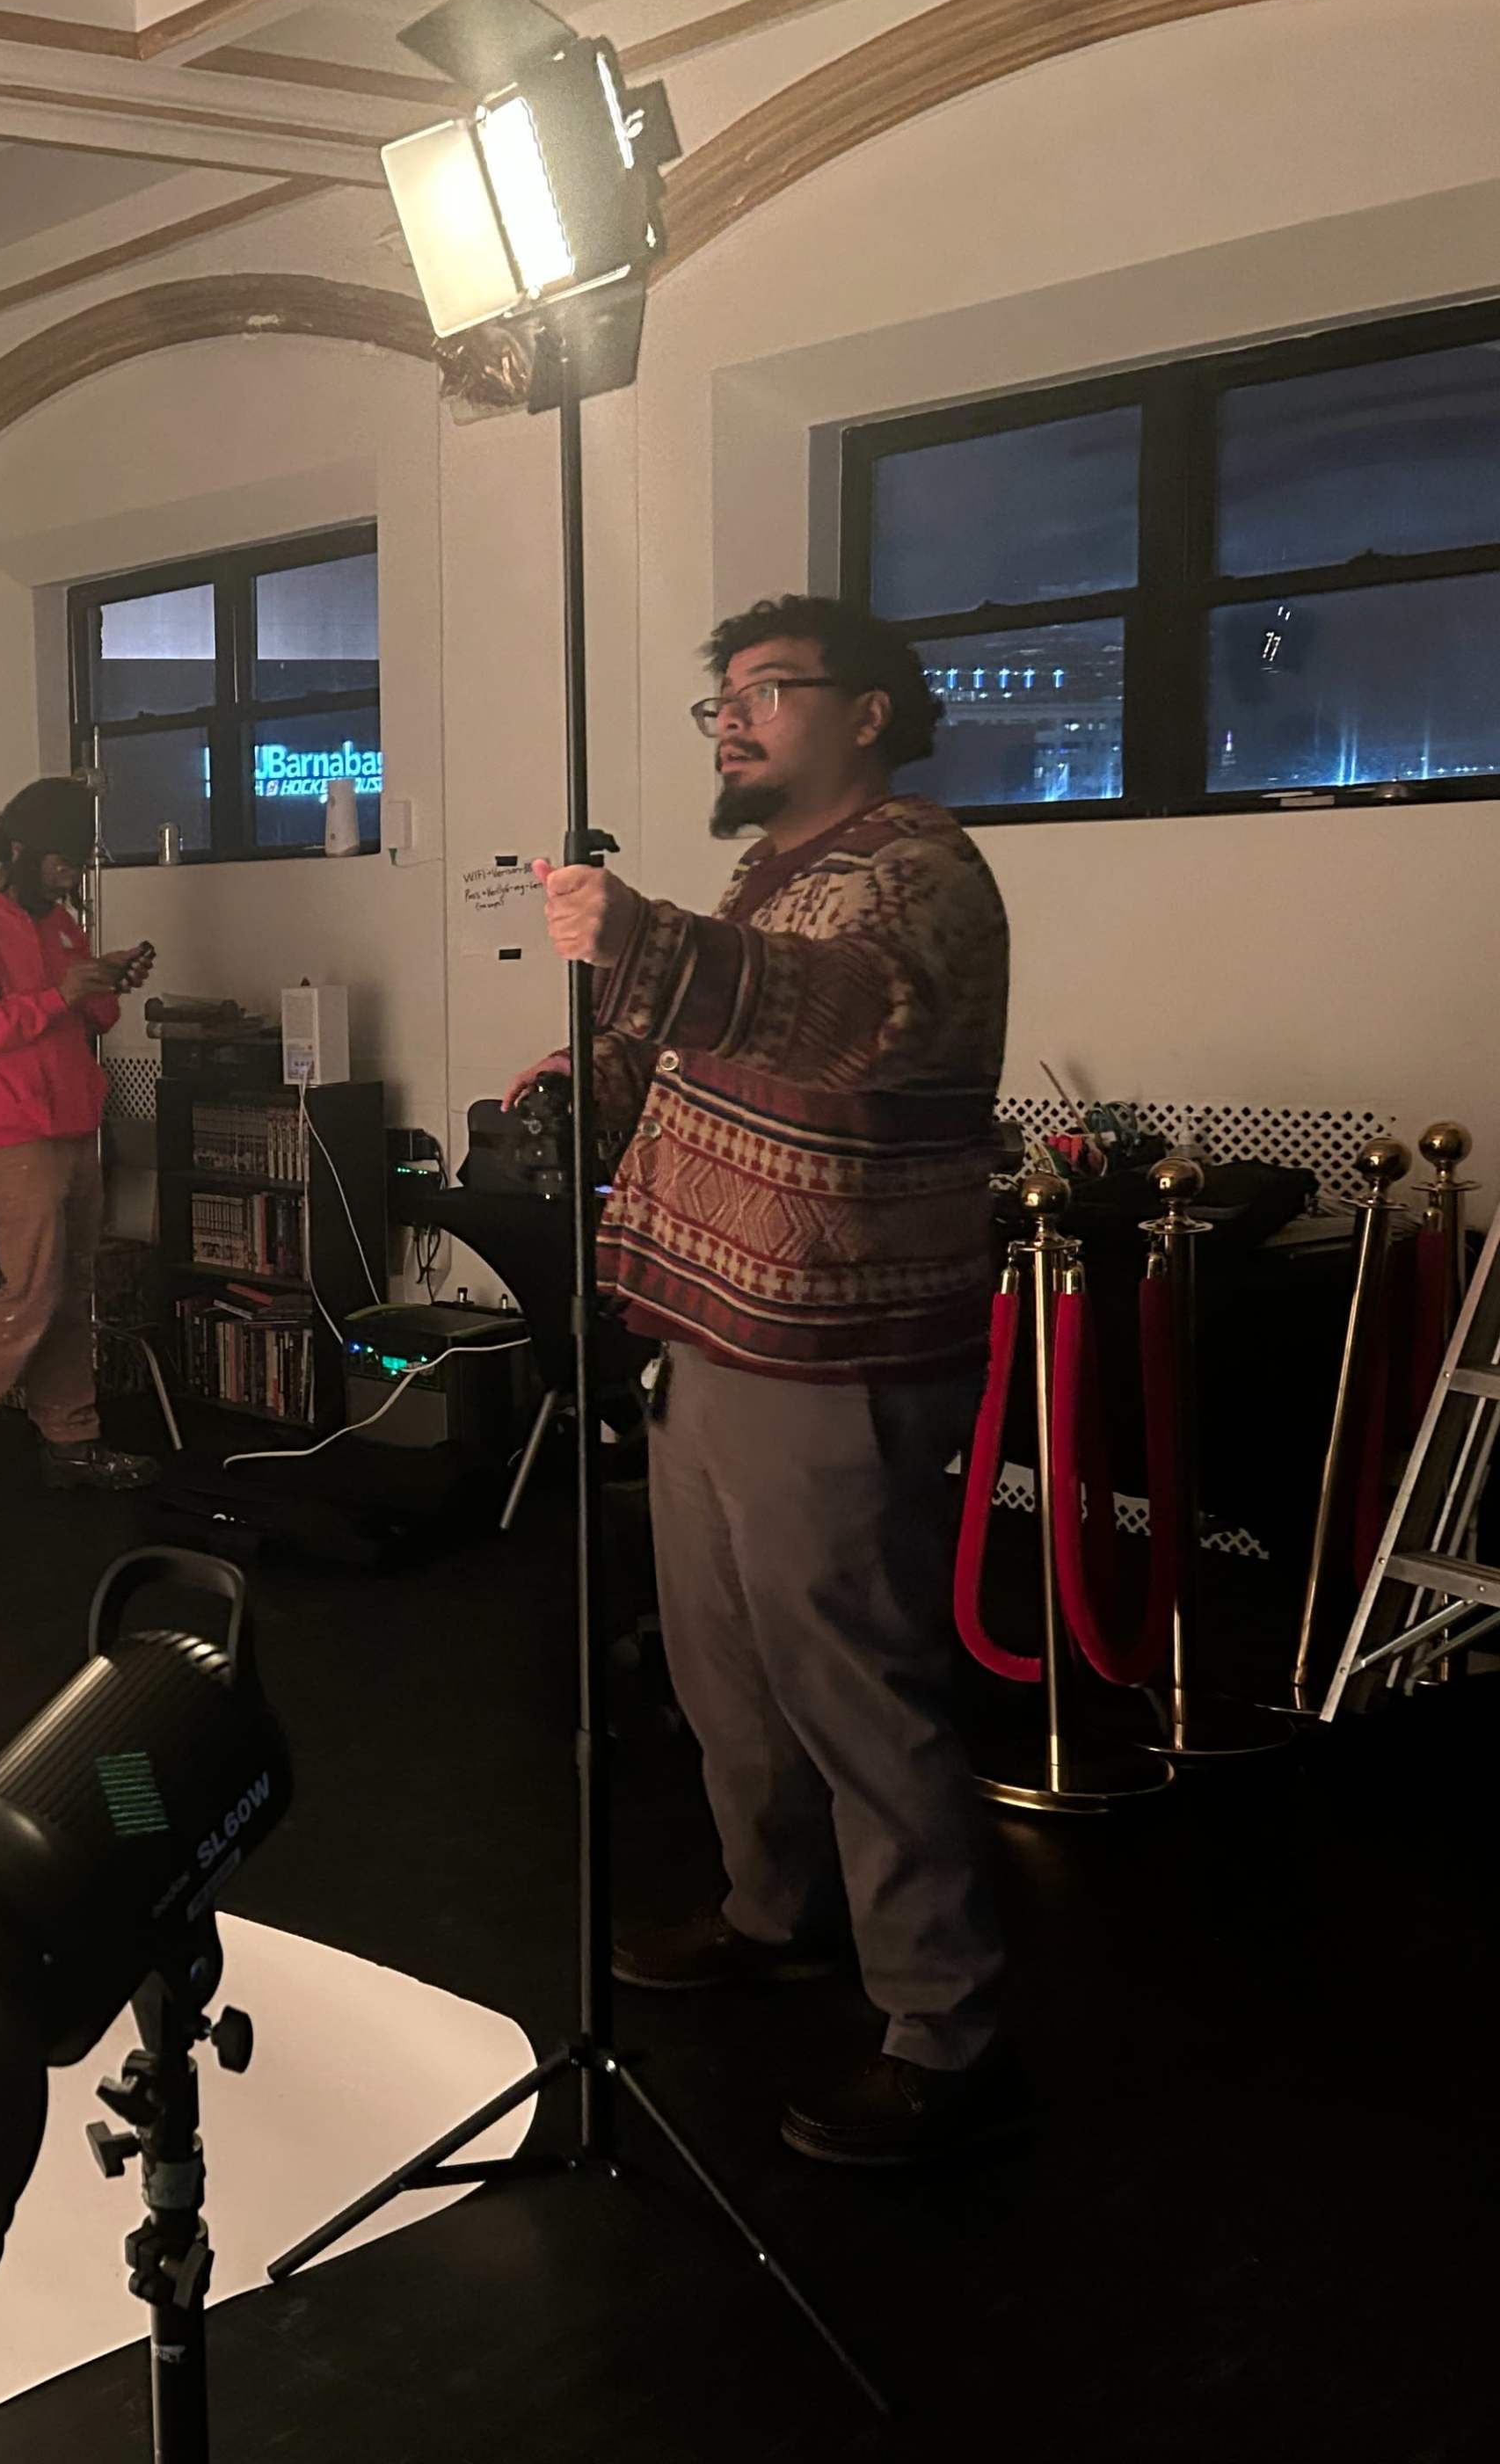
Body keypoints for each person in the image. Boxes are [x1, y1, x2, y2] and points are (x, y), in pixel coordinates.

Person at [519, 592, 1022, 2169]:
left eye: (770, 691)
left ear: (867, 711)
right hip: (714, 1331)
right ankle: (770, 1909)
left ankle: (946, 2030)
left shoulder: (922, 877)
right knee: (723, 1671)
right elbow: (709, 1047)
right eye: (721, 699)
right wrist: (596, 1047)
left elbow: (842, 1020)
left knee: (857, 1692)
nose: (733, 720)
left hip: (837, 1347)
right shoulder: (774, 877)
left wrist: (647, 942)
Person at [0, 776, 159, 1511]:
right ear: (18, 849)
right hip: (11, 1133)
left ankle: (72, 1442)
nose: (70, 875)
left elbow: (94, 1020)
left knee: (69, 1288)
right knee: (32, 1287)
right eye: (59, 861)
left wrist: (106, 979)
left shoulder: (60, 924)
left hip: (74, 1127)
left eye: (78, 863)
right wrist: (60, 994)